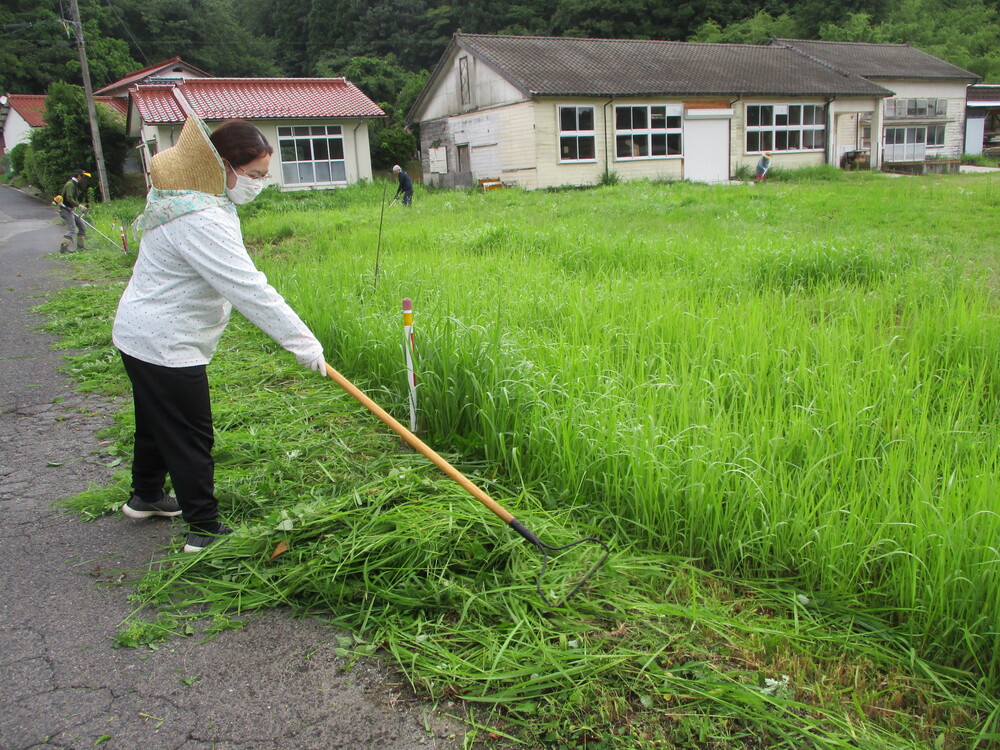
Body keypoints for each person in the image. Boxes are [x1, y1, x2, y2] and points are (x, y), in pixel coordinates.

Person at [112, 115, 325, 553]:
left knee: (156, 420)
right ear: (223, 166)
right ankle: (204, 529)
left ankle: (147, 496)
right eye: (254, 175)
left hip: (141, 333)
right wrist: (303, 343)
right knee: (191, 433)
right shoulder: (200, 218)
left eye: (265, 176)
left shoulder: (189, 199)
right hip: (164, 340)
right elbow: (248, 288)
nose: (260, 184)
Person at [58, 169, 90, 253]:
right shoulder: (70, 184)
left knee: (82, 226)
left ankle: (81, 247)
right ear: (79, 176)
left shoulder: (75, 184)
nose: (84, 179)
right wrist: (79, 206)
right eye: (83, 177)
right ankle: (64, 248)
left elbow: (74, 199)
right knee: (72, 228)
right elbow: (69, 198)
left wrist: (81, 206)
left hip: (71, 209)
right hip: (65, 210)